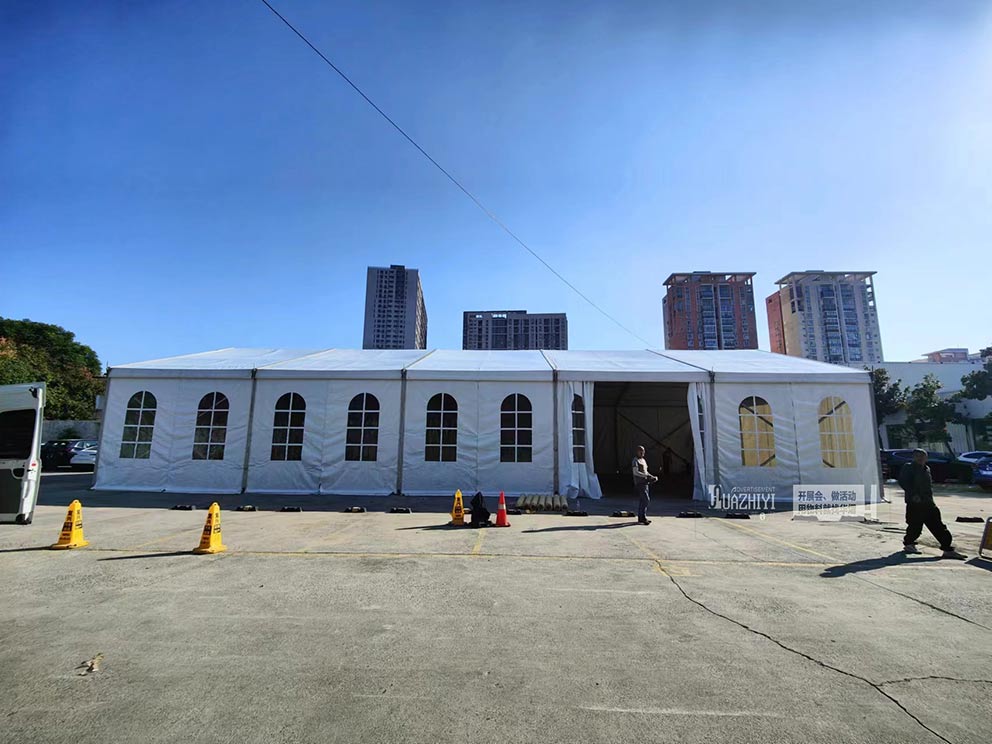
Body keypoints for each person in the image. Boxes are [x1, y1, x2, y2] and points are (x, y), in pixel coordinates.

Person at [898, 449, 965, 559]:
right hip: (915, 503)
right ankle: (909, 544)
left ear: (926, 458)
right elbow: (904, 482)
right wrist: (914, 495)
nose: (920, 458)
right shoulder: (909, 467)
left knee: (938, 526)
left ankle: (947, 549)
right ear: (913, 457)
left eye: (922, 456)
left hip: (928, 502)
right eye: (917, 456)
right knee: (915, 526)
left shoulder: (926, 468)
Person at [631, 445, 658, 525]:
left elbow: (646, 472)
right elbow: (635, 472)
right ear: (637, 451)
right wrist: (646, 476)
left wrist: (652, 476)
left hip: (645, 482)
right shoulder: (635, 460)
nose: (642, 453)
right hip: (640, 483)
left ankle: (641, 517)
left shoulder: (643, 460)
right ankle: (643, 517)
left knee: (643, 500)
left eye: (643, 451)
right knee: (646, 499)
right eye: (641, 451)